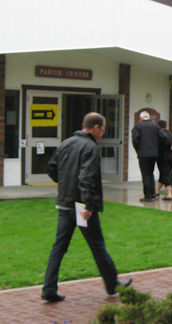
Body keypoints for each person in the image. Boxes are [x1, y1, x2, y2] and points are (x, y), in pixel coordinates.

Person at [41, 112, 132, 302]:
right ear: (96, 128)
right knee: (98, 246)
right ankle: (112, 283)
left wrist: (65, 182)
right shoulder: (90, 146)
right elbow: (85, 177)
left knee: (59, 247)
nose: (102, 134)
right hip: (81, 207)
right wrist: (88, 205)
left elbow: (51, 168)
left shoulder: (66, 143)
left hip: (64, 203)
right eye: (103, 130)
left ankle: (48, 289)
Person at [131, 111, 171, 202]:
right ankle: (153, 193)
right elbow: (164, 137)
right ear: (149, 117)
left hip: (143, 154)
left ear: (141, 118)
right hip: (154, 154)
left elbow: (135, 140)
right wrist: (168, 146)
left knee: (145, 174)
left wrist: (138, 150)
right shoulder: (156, 126)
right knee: (150, 172)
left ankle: (148, 196)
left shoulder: (137, 127)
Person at [155, 120, 172, 200]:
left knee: (165, 174)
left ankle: (169, 195)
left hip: (163, 158)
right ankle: (157, 191)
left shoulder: (160, 135)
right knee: (164, 173)